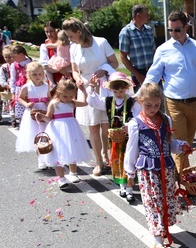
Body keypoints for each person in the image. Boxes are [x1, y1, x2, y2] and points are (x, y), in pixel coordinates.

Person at [123, 82, 192, 248]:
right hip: (148, 171)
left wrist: (181, 146)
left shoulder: (165, 120)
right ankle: (157, 241)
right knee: (153, 203)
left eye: (156, 105)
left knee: (166, 201)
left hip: (167, 169)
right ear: (140, 102)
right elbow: (131, 150)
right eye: (148, 105)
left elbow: (170, 143)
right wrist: (129, 172)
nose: (153, 108)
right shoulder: (135, 124)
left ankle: (163, 229)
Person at [142, 11, 196, 170]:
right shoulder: (163, 49)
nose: (173, 33)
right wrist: (142, 93)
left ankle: (181, 179)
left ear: (186, 27)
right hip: (174, 103)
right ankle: (182, 185)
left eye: (177, 30)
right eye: (170, 30)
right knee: (181, 144)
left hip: (195, 102)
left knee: (188, 143)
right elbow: (154, 74)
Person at [63, 17, 119, 177]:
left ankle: (107, 155)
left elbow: (114, 63)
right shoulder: (73, 48)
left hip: (103, 85)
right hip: (86, 87)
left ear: (79, 32)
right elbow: (74, 69)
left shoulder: (101, 42)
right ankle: (99, 163)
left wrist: (104, 70)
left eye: (71, 35)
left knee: (106, 125)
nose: (69, 39)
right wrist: (77, 78)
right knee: (93, 126)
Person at [87, 71, 140, 202]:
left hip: (129, 138)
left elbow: (139, 116)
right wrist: (92, 87)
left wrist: (129, 124)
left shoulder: (132, 102)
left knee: (129, 161)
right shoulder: (109, 101)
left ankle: (129, 189)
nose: (119, 94)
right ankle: (123, 186)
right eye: (116, 91)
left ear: (126, 89)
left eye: (122, 91)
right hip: (115, 139)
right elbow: (93, 102)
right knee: (118, 162)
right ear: (111, 90)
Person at [37, 79, 92, 190]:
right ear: (59, 93)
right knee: (57, 153)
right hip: (57, 130)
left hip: (71, 129)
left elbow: (85, 103)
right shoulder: (54, 104)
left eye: (71, 96)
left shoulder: (72, 103)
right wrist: (42, 117)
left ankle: (73, 172)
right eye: (65, 96)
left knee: (72, 150)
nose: (68, 99)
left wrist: (84, 91)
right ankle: (61, 178)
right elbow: (49, 117)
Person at [14, 62, 51, 169]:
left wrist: (49, 104)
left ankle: (48, 157)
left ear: (43, 74)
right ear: (29, 75)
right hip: (33, 112)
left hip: (44, 111)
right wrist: (27, 104)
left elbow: (48, 98)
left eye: (40, 74)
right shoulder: (27, 87)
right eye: (34, 74)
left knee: (47, 134)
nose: (37, 76)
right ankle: (41, 159)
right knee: (36, 135)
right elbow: (20, 98)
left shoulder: (46, 86)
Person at [119, 4, 156, 91]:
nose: (148, 16)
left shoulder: (149, 30)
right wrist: (137, 74)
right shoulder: (126, 32)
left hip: (153, 71)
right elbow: (123, 57)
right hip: (139, 73)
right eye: (146, 14)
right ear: (138, 15)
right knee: (142, 102)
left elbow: (155, 52)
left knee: (158, 100)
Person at [39, 21, 71, 86]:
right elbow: (44, 64)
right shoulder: (44, 46)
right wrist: (59, 69)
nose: (49, 34)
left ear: (57, 31)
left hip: (70, 75)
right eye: (46, 32)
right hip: (55, 78)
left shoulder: (68, 44)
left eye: (51, 31)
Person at [9, 44, 32, 129]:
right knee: (20, 109)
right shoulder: (14, 65)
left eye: (14, 57)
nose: (13, 59)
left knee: (29, 107)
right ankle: (22, 124)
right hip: (19, 89)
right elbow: (13, 78)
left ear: (21, 55)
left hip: (29, 88)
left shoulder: (30, 63)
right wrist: (13, 92)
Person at [0, 46, 14, 122]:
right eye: (6, 57)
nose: (8, 59)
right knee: (10, 103)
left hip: (17, 87)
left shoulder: (17, 65)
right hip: (8, 87)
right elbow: (1, 79)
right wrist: (5, 84)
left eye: (10, 57)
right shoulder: (3, 67)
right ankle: (12, 118)